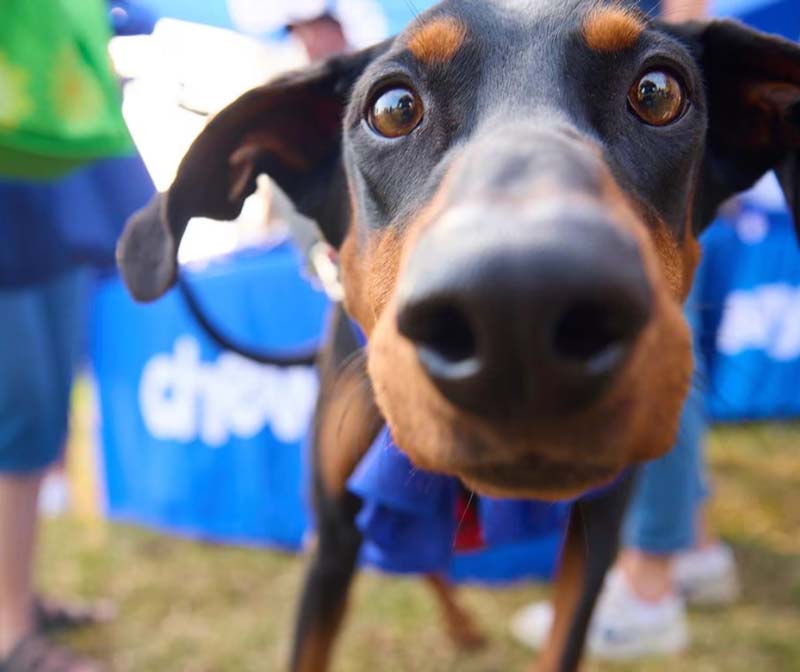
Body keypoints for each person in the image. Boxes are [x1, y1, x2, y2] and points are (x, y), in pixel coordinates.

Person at [510, 0, 741, 660]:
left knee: (650, 357)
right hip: (630, 109)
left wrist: (665, 93)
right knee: (671, 348)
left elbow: (684, 17)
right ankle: (692, 547)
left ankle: (649, 586)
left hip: (641, 125)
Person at [0, 2, 155, 670]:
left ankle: (15, 596)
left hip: (65, 163)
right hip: (19, 156)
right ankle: (8, 632)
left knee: (42, 410)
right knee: (19, 403)